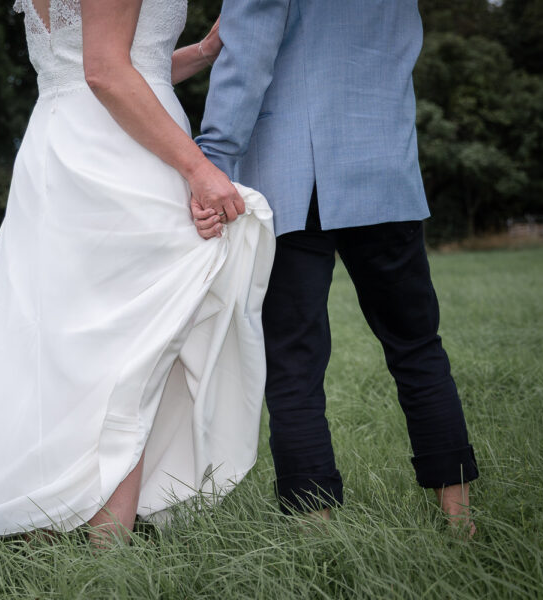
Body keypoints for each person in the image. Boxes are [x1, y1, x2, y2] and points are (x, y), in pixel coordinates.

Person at [0, 0, 275, 547]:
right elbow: (104, 71)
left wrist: (198, 54)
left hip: (64, 142)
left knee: (68, 337)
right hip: (118, 155)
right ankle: (106, 541)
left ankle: (48, 515)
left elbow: (106, 64)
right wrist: (199, 168)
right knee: (133, 336)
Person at [193, 0, 479, 535]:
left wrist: (211, 163)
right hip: (384, 164)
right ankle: (461, 522)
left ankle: (316, 535)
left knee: (293, 362)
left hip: (290, 174)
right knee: (417, 345)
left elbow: (246, 59)